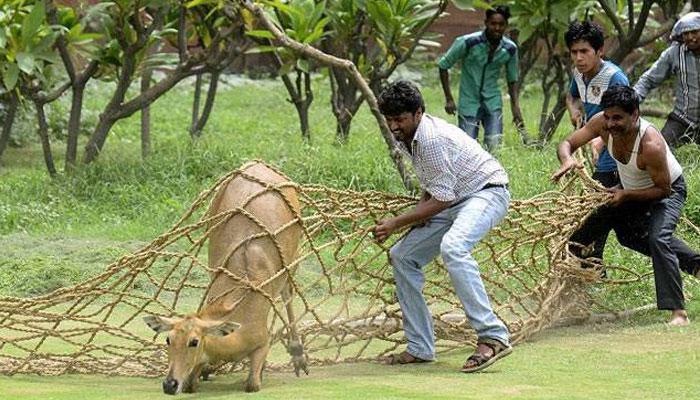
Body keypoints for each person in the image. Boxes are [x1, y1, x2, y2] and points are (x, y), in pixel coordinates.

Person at [373, 80, 512, 373]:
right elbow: (435, 185)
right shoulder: (408, 136)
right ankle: (420, 347)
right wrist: (419, 213)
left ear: (418, 113)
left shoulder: (432, 138)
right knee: (402, 256)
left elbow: (443, 198)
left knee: (454, 246)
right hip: (453, 199)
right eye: (389, 120)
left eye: (399, 119)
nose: (394, 126)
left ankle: (493, 336)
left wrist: (396, 223)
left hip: (486, 192)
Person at [552, 85, 700, 326]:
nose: (611, 124)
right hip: (628, 190)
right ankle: (570, 301)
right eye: (608, 117)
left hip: (667, 190)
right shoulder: (602, 122)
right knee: (590, 237)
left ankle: (679, 313)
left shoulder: (650, 144)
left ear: (635, 115)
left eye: (618, 118)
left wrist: (626, 194)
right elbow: (567, 142)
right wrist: (567, 159)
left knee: (658, 238)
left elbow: (663, 189)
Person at [563, 20, 629, 265]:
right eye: (574, 52)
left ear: (599, 51)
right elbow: (571, 95)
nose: (579, 58)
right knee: (602, 213)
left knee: (597, 214)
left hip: (618, 156)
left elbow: (630, 119)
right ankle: (593, 265)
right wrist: (574, 110)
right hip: (600, 151)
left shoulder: (615, 77)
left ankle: (588, 262)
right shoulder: (579, 75)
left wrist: (602, 140)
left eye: (584, 51)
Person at [437, 5, 524, 152]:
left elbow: (512, 79)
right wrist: (449, 98)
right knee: (466, 149)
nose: (497, 28)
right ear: (486, 23)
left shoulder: (510, 49)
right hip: (469, 102)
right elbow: (443, 65)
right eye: (493, 23)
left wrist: (515, 108)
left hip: (493, 102)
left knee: (494, 146)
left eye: (501, 24)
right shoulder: (468, 42)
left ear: (506, 26)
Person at [634, 12, 700, 148]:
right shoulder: (673, 53)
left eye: (694, 32)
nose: (690, 37)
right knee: (659, 149)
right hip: (682, 118)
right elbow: (649, 79)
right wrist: (632, 98)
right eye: (686, 34)